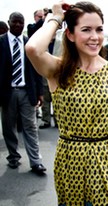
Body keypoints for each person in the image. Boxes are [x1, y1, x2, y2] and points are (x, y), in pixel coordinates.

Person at [25, 2, 108, 204]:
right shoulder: (58, 69)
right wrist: (56, 18)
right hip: (70, 162)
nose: (94, 37)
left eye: (99, 29)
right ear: (70, 34)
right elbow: (33, 48)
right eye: (86, 30)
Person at [1, 11, 46, 174]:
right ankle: (13, 157)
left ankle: (36, 162)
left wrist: (40, 92)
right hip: (7, 93)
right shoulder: (1, 42)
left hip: (27, 92)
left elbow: (36, 70)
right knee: (8, 127)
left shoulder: (29, 44)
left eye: (21, 22)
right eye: (15, 22)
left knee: (31, 127)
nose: (18, 25)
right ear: (9, 22)